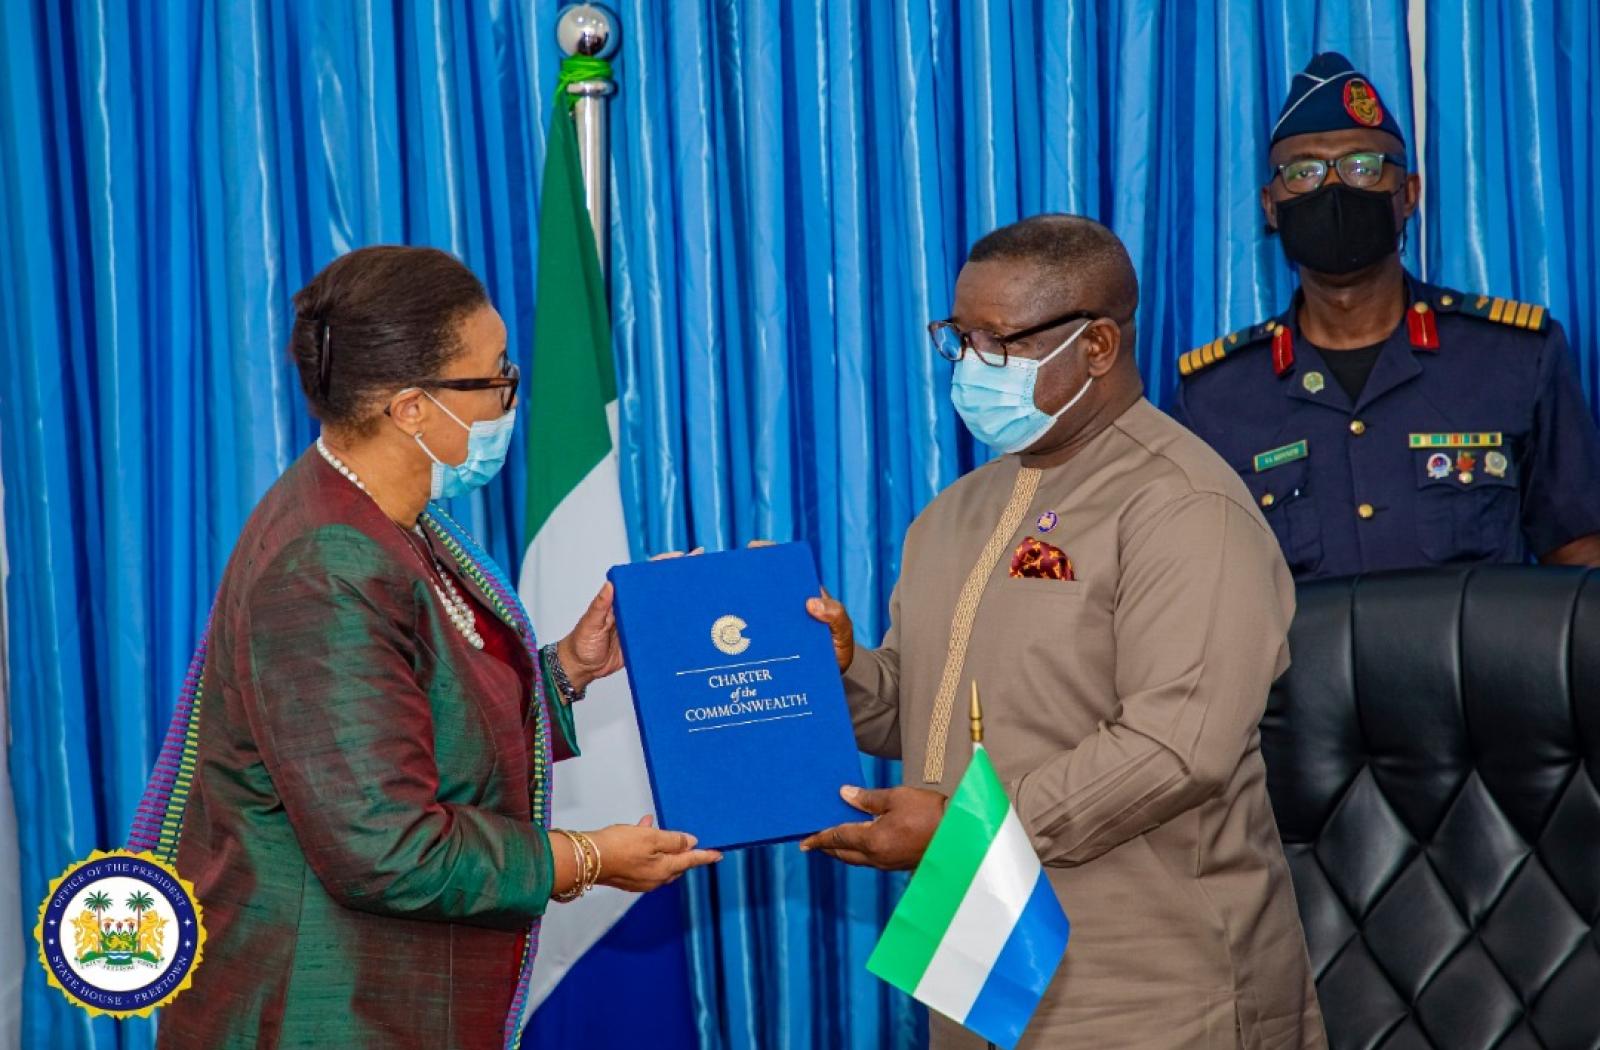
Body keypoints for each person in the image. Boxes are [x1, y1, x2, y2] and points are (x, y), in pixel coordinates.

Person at [136, 246, 720, 1049]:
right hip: (323, 1013)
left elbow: (419, 731)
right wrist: (585, 857)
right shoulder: (328, 560)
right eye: (495, 379)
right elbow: (386, 847)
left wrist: (571, 669)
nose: (513, 396)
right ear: (412, 408)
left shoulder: (384, 518)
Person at [800, 215, 1325, 1048]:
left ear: (1098, 347)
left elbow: (1174, 748)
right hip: (975, 964)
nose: (971, 366)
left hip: (1149, 987)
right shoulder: (951, 516)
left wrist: (965, 830)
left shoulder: (1184, 506)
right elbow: (923, 716)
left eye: (999, 342)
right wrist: (839, 673)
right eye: (959, 337)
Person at [1175, 51, 1600, 579]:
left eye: (1362, 167)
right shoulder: (1215, 397)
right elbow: (1200, 591)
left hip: (1475, 665)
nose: (1333, 188)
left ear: (1409, 194)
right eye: (1303, 172)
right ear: (1270, 205)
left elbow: (1580, 557)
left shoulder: (1514, 358)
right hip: (1306, 666)